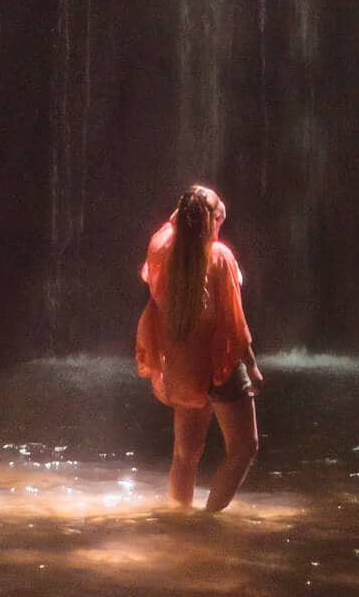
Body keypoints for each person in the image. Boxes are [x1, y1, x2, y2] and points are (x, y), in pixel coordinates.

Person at [134, 182, 265, 512]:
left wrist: (189, 209)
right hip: (220, 363)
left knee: (185, 454)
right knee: (243, 448)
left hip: (183, 363)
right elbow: (234, 322)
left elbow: (175, 227)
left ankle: (180, 519)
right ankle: (209, 520)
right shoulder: (220, 257)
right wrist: (250, 364)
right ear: (211, 220)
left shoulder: (164, 252)